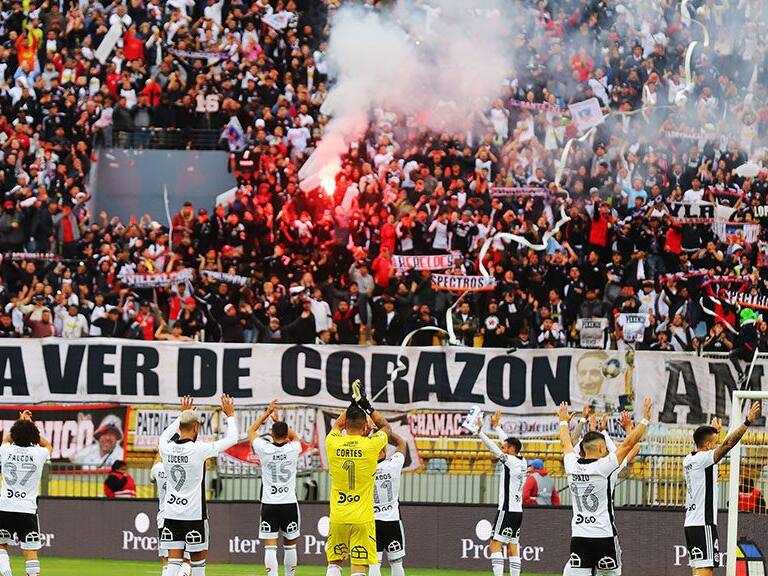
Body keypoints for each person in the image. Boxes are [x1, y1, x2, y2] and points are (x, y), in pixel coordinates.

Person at [557, 398, 652, 576]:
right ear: (602, 449)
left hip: (579, 537)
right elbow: (629, 445)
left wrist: (563, 420)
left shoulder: (571, 465)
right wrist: (645, 419)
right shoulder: (606, 467)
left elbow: (565, 443)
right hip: (604, 536)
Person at [158, 395, 239, 576]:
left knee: (173, 563)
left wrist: (182, 415)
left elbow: (164, 435)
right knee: (197, 564)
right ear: (196, 428)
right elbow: (233, 438)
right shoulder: (199, 449)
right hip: (194, 515)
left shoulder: (165, 447)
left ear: (180, 426)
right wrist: (230, 415)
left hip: (171, 514)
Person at [683, 402, 762, 576]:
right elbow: (727, 445)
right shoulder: (704, 459)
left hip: (691, 523)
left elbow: (709, 455)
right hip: (703, 523)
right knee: (705, 571)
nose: (717, 445)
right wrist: (747, 421)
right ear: (707, 445)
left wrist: (714, 431)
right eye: (715, 443)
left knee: (698, 571)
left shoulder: (689, 459)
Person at [325, 381, 390, 576]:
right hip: (362, 518)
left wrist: (352, 404)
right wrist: (365, 404)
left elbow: (337, 424)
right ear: (365, 427)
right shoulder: (371, 445)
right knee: (359, 566)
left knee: (334, 563)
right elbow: (386, 427)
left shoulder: (332, 442)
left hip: (338, 516)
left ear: (346, 426)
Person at [247, 400, 302, 576]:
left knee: (270, 547)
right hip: (289, 503)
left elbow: (251, 431)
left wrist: (267, 413)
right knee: (290, 545)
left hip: (269, 503)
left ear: (271, 434)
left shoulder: (264, 448)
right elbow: (296, 438)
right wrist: (278, 422)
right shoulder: (293, 448)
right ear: (286, 434)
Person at [0, 410, 52, 576]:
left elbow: (6, 439)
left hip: (5, 507)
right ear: (34, 436)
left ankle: (7, 573)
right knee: (30, 552)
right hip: (27, 510)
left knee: (1, 545)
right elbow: (48, 445)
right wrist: (29, 424)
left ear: (14, 434)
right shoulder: (39, 453)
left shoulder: (5, 450)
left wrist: (21, 422)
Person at [477, 410, 527, 576]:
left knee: (495, 545)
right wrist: (497, 427)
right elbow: (505, 442)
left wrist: (480, 433)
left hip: (506, 510)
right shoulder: (522, 460)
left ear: (511, 449)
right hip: (518, 511)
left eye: (505, 448)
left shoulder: (510, 461)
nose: (502, 449)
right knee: (513, 547)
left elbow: (494, 450)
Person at [368, 428, 408, 576]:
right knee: (397, 563)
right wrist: (384, 432)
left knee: (374, 563)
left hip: (372, 522)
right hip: (392, 522)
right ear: (383, 451)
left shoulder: (364, 470)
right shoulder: (393, 465)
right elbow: (401, 443)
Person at [151, 454, 191, 576]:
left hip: (164, 518)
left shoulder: (158, 468)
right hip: (184, 517)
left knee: (167, 560)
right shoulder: (186, 467)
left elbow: (151, 479)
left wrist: (158, 455)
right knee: (186, 560)